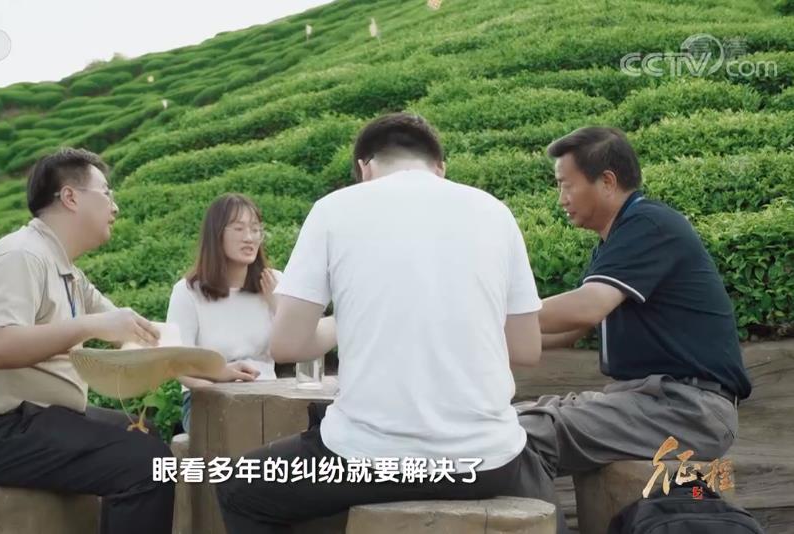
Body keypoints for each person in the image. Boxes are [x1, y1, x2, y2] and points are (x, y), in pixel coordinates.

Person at [215, 113, 565, 533]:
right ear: (440, 168)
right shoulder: (494, 212)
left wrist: (349, 322)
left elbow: (288, 345)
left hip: (367, 460)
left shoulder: (334, 210)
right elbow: (526, 349)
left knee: (237, 487)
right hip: (489, 462)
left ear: (364, 168)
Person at [0, 147, 177, 534]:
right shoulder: (20, 256)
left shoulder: (66, 271)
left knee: (143, 432)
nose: (115, 206)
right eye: (106, 193)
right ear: (70, 197)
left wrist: (211, 363)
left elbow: (136, 330)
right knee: (147, 463)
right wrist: (91, 326)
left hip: (40, 420)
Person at [517, 126, 752, 479]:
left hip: (688, 410)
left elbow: (587, 307)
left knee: (524, 434)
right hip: (646, 402)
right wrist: (489, 341)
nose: (561, 199)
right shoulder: (617, 238)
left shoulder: (648, 225)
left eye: (566, 185)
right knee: (509, 419)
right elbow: (571, 330)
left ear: (607, 181)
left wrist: (491, 316)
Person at [168, 193, 305, 432]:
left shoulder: (274, 282)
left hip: (268, 396)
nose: (249, 237)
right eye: (239, 229)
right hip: (209, 398)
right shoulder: (188, 291)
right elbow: (175, 363)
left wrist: (277, 304)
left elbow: (301, 346)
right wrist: (217, 384)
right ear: (216, 234)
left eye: (255, 229)